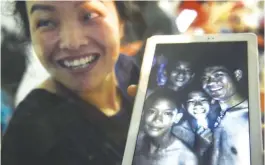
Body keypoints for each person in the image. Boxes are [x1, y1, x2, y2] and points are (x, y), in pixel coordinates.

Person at [2, 1, 143, 165]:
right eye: (46, 22)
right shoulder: (29, 137)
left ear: (121, 21)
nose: (72, 42)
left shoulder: (132, 71)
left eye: (89, 15)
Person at [133, 89, 198, 165]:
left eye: (167, 113)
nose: (157, 119)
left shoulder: (186, 158)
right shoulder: (135, 142)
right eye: (152, 111)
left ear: (177, 118)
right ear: (143, 113)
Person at [202, 66, 250, 165]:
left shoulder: (251, 118)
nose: (210, 82)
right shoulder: (211, 114)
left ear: (237, 75)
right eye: (205, 78)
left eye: (218, 75)